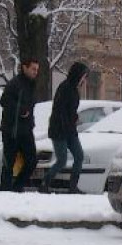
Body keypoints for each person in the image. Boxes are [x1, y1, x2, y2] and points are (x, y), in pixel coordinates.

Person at [40, 61, 89, 194]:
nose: (84, 79)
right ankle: (45, 182)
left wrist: (74, 118)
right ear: (78, 75)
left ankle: (73, 186)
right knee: (61, 160)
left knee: (79, 156)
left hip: (70, 130)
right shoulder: (65, 88)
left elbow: (70, 110)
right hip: (59, 130)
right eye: (84, 76)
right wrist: (70, 120)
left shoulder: (74, 89)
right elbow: (60, 110)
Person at [0, 58, 40, 192]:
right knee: (8, 163)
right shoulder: (15, 84)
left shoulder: (31, 84)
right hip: (12, 130)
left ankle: (16, 187)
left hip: (26, 130)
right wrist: (20, 110)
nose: (35, 72)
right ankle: (5, 190)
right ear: (25, 67)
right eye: (33, 69)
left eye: (37, 70)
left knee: (32, 160)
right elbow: (4, 101)